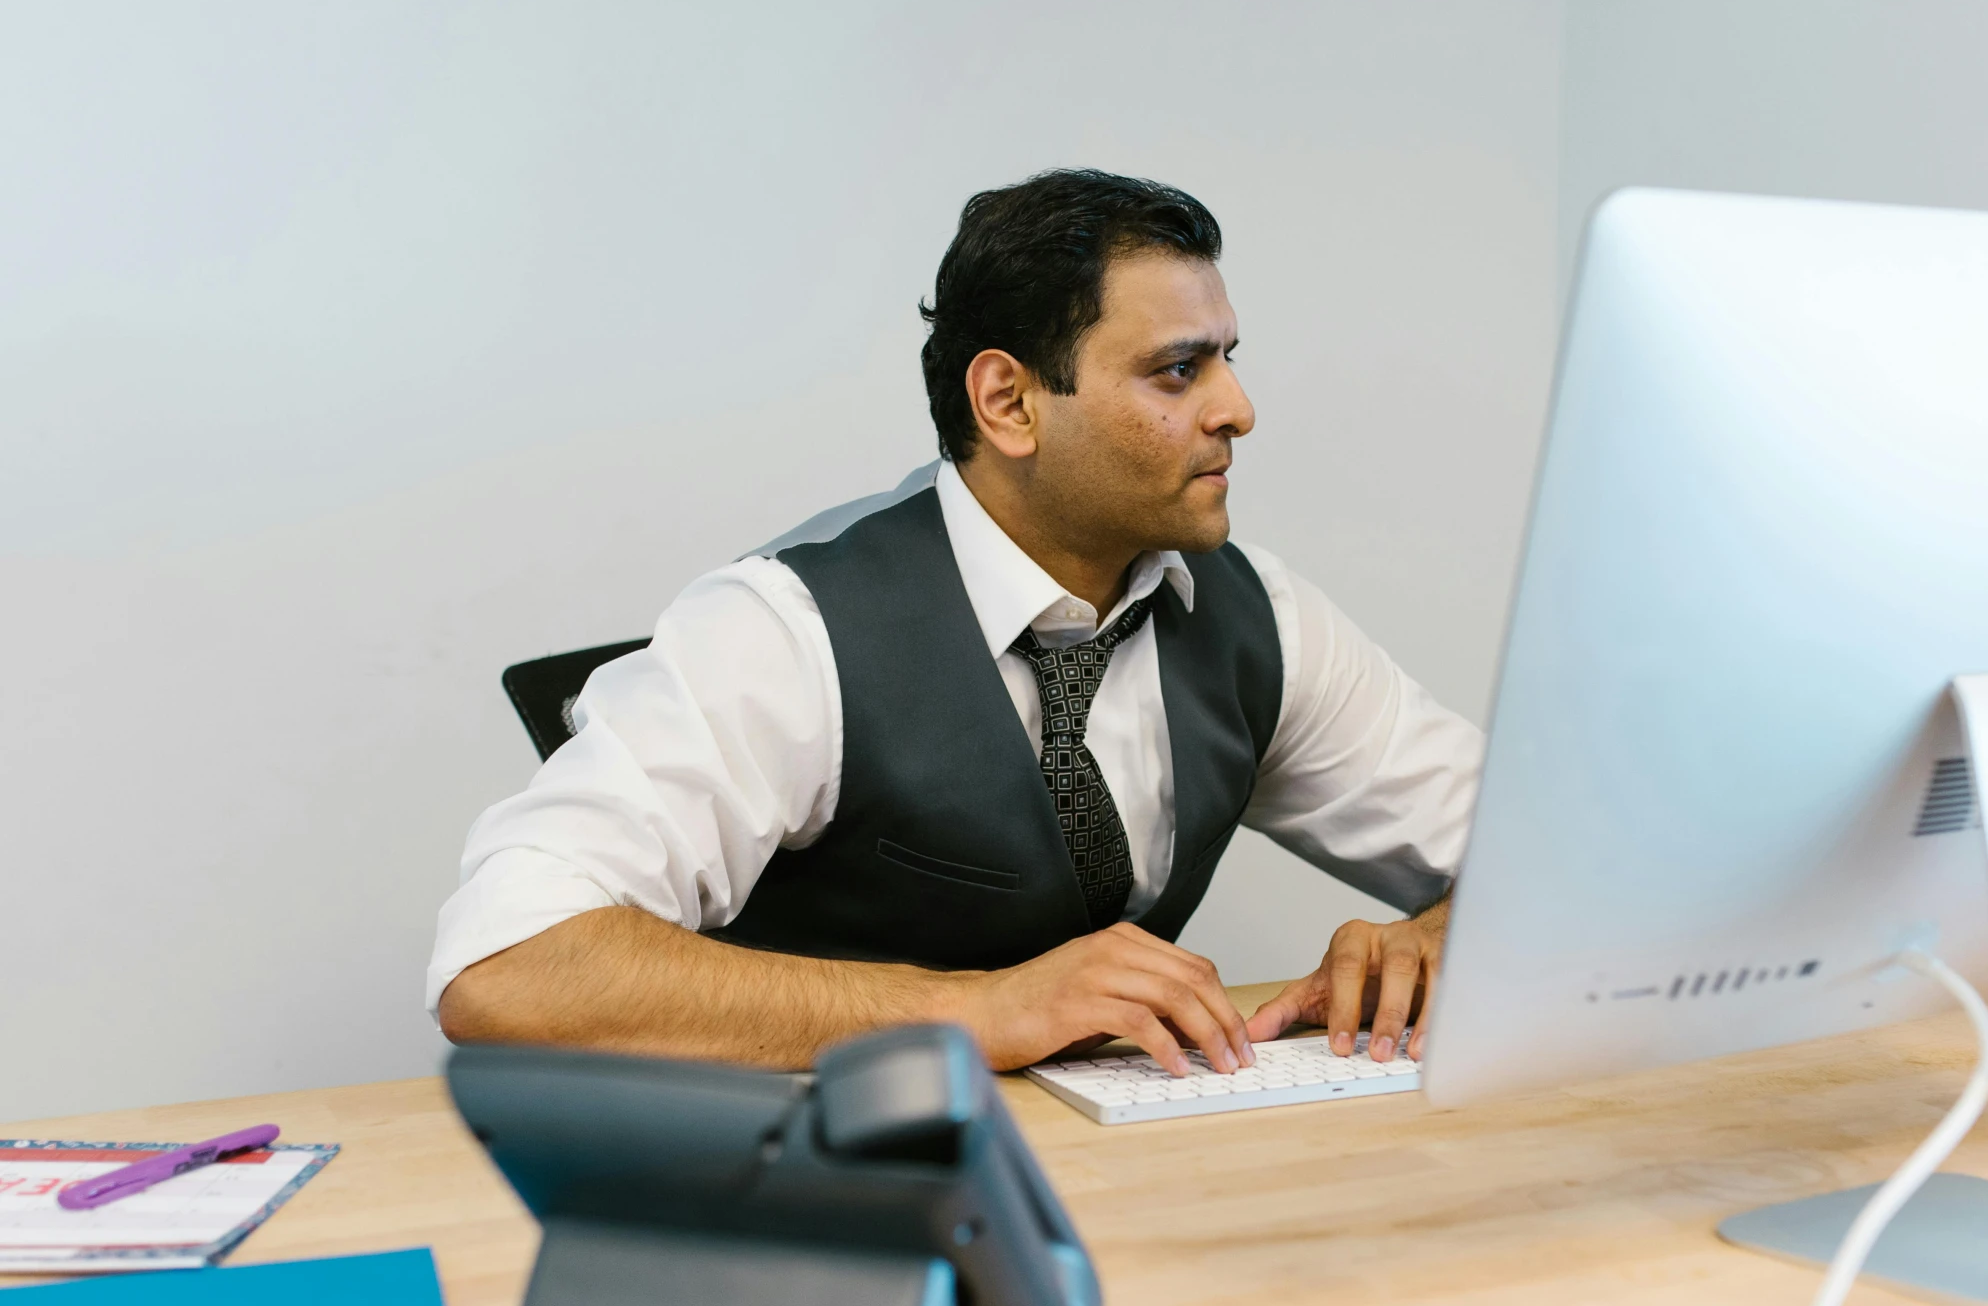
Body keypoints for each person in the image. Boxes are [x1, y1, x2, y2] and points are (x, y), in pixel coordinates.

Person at [430, 169, 1483, 1079]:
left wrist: (1441, 938)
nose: (1238, 408)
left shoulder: (1258, 615)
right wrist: (978, 1011)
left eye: (1228, 358)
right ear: (1010, 403)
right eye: (1178, 370)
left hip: (1118, 1190)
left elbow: (1552, 855)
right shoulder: (788, 629)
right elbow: (505, 962)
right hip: (815, 1211)